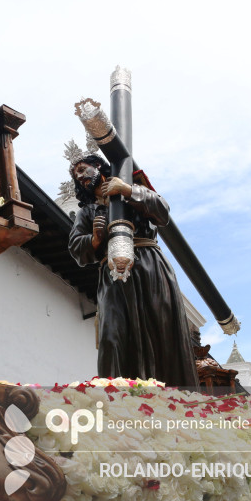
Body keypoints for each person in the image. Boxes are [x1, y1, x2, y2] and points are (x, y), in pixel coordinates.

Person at [67, 153, 199, 387]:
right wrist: (96, 240)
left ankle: (176, 396)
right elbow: (76, 247)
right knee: (113, 335)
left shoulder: (131, 189)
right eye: (75, 174)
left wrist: (128, 190)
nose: (79, 176)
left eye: (82, 169)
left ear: (98, 166)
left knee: (162, 327)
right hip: (112, 275)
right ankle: (119, 396)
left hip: (150, 267)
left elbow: (162, 211)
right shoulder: (87, 212)